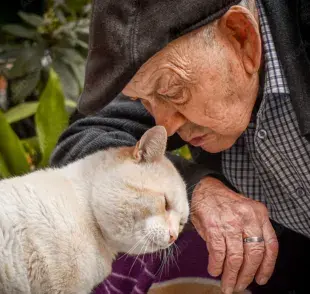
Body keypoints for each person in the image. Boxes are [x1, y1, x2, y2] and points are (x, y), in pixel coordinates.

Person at [50, 0, 310, 293]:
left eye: (173, 92)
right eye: (144, 101)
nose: (165, 124)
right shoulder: (164, 67)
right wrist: (193, 188)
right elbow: (82, 147)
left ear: (242, 37)